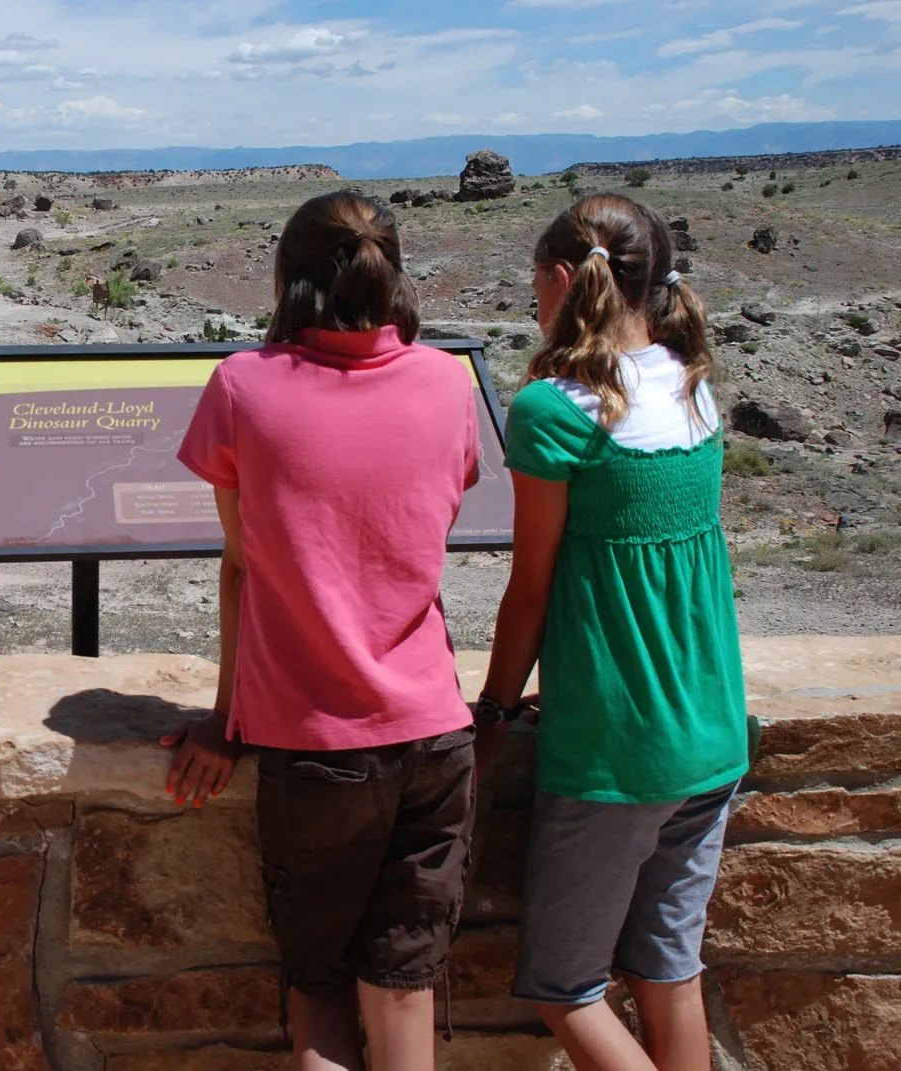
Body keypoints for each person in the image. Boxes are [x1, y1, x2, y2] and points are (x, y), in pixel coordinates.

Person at [162, 191, 480, 1071]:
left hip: (316, 749)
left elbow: (243, 565)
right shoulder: (448, 381)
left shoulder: (242, 385)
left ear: (288, 278)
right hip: (435, 734)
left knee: (322, 988)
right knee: (405, 988)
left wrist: (224, 720)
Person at [474, 193, 749, 1071]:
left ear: (563, 279)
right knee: (668, 970)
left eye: (535, 283)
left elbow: (531, 588)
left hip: (615, 750)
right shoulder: (693, 384)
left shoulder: (554, 410)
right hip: (710, 733)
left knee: (565, 987)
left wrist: (493, 709)